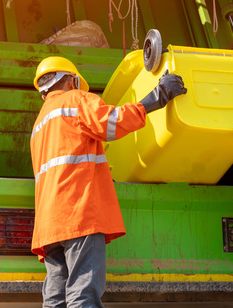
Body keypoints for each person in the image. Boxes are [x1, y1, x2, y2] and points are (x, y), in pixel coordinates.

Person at [29, 56, 187, 307]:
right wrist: (156, 97)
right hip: (78, 214)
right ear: (71, 80)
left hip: (49, 225)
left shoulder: (39, 124)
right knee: (83, 294)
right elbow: (111, 123)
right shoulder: (76, 100)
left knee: (55, 299)